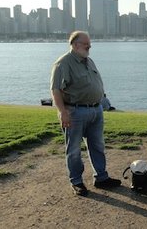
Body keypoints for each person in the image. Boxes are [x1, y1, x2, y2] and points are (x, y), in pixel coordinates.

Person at [50, 31, 121, 197]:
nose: (90, 46)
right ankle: (76, 181)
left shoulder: (89, 61)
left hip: (96, 110)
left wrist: (102, 100)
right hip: (75, 111)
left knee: (97, 145)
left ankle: (101, 178)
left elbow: (95, 83)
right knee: (74, 149)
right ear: (75, 45)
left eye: (89, 44)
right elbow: (55, 90)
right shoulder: (63, 64)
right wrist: (62, 112)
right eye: (86, 44)